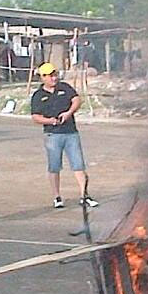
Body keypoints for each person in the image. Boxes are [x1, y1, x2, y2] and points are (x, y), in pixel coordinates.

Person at [30, 62, 99, 208]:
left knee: (78, 165)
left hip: (71, 133)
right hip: (52, 135)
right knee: (54, 167)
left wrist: (68, 113)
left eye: (54, 75)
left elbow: (77, 100)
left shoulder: (64, 87)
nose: (53, 78)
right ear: (42, 77)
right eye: (49, 76)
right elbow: (35, 117)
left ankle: (84, 195)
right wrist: (51, 121)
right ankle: (57, 197)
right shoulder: (38, 96)